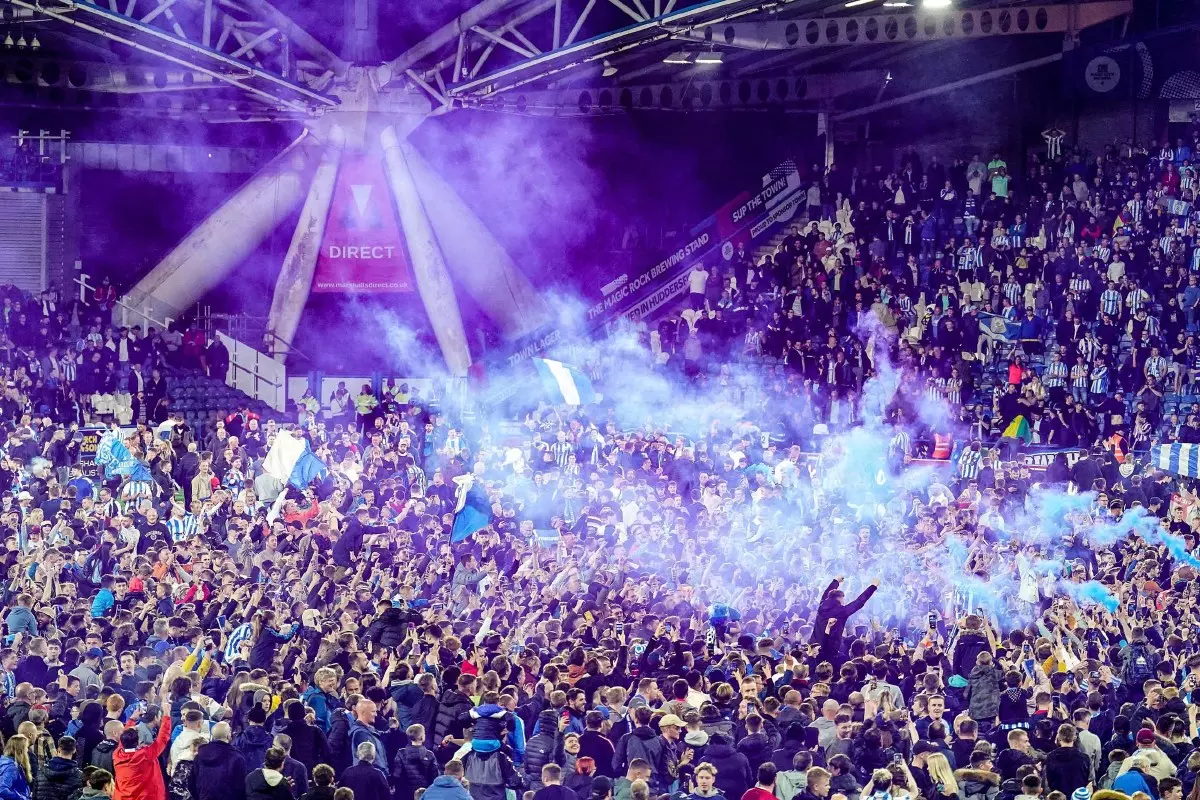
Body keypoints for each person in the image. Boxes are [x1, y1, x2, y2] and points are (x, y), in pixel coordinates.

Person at [113, 696, 172, 800]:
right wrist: (166, 715)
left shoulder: (117, 754)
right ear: (138, 741)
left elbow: (124, 738)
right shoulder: (146, 755)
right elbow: (163, 738)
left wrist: (132, 719)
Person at [195, 722, 248, 800]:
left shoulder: (200, 754)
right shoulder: (236, 757)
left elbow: (193, 780)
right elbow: (240, 785)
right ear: (228, 735)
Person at [34, 735, 84, 800]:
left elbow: (34, 796)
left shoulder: (41, 772)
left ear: (58, 749)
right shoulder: (79, 776)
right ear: (74, 750)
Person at [0, 735, 32, 800]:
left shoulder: (6, 762)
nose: (27, 750)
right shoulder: (11, 768)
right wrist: (21, 797)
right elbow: (2, 789)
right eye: (26, 747)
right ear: (20, 750)